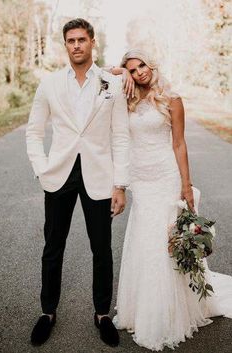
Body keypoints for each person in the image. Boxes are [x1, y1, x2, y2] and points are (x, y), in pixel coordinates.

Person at [108, 49, 232, 351]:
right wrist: (120, 71)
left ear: (152, 65)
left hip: (165, 177)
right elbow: (100, 73)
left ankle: (168, 314)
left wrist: (186, 185)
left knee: (163, 243)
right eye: (132, 70)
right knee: (142, 240)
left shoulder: (172, 98)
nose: (139, 73)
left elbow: (179, 143)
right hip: (140, 180)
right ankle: (141, 308)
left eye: (141, 67)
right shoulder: (127, 96)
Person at [26, 18, 129, 347]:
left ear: (92, 42)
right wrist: (41, 168)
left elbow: (122, 137)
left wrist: (120, 185)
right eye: (70, 40)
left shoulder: (110, 84)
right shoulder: (50, 84)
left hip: (100, 176)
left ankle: (102, 314)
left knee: (102, 249)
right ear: (65, 44)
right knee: (52, 247)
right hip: (59, 176)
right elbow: (33, 131)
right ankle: (47, 312)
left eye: (82, 39)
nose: (76, 45)